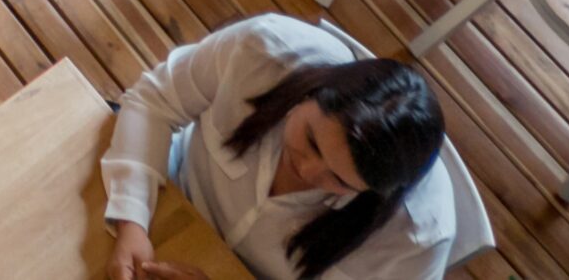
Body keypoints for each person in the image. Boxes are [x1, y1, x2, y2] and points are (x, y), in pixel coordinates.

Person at [103, 15, 454, 280]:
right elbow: (156, 100)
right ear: (312, 91)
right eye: (312, 141)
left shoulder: (419, 237)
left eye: (340, 181)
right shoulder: (264, 50)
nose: (307, 171)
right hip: (162, 194)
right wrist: (132, 219)